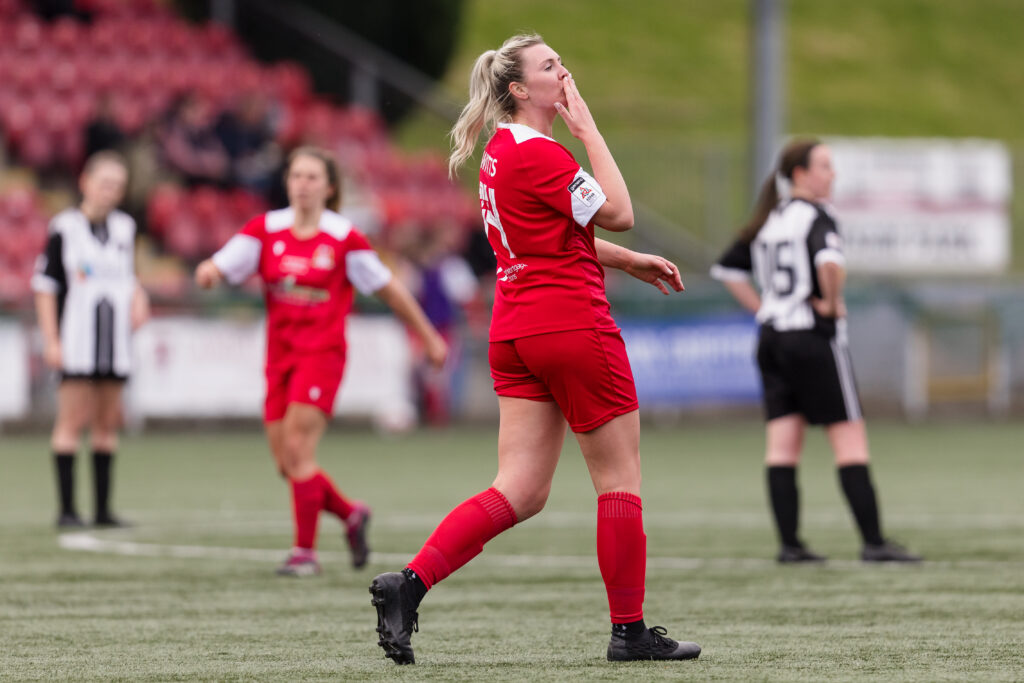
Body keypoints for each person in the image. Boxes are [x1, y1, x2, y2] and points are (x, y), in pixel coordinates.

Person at [369, 34, 699, 665]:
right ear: (520, 89)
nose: (564, 71)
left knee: (520, 489)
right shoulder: (544, 153)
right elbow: (621, 210)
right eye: (550, 66)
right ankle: (628, 632)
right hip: (572, 325)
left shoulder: (502, 151)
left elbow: (547, 238)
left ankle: (407, 587)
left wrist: (625, 262)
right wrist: (590, 129)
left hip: (515, 330)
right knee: (619, 480)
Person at [195, 146, 447, 576]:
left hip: (322, 356)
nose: (303, 185)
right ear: (287, 182)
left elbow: (389, 289)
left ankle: (304, 553)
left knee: (298, 449)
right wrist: (210, 272)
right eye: (296, 176)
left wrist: (428, 336)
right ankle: (351, 514)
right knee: (287, 464)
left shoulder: (343, 237)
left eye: (313, 177)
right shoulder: (265, 230)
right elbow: (220, 263)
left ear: (329, 187)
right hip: (279, 357)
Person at [710, 138, 921, 565]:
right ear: (801, 174)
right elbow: (829, 262)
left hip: (772, 338)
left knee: (782, 447)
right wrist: (830, 301)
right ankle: (874, 542)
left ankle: (790, 545)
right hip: (812, 336)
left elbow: (728, 269)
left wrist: (763, 307)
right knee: (850, 441)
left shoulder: (769, 219)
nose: (833, 174)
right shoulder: (818, 216)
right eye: (825, 166)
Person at [32, 150, 150, 528]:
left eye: (118, 186)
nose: (110, 192)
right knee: (71, 420)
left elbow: (129, 278)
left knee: (107, 422)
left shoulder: (124, 229)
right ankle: (67, 510)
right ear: (85, 182)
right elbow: (46, 287)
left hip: (115, 343)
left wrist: (139, 296)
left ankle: (102, 511)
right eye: (105, 183)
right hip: (77, 340)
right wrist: (52, 339)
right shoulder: (64, 228)